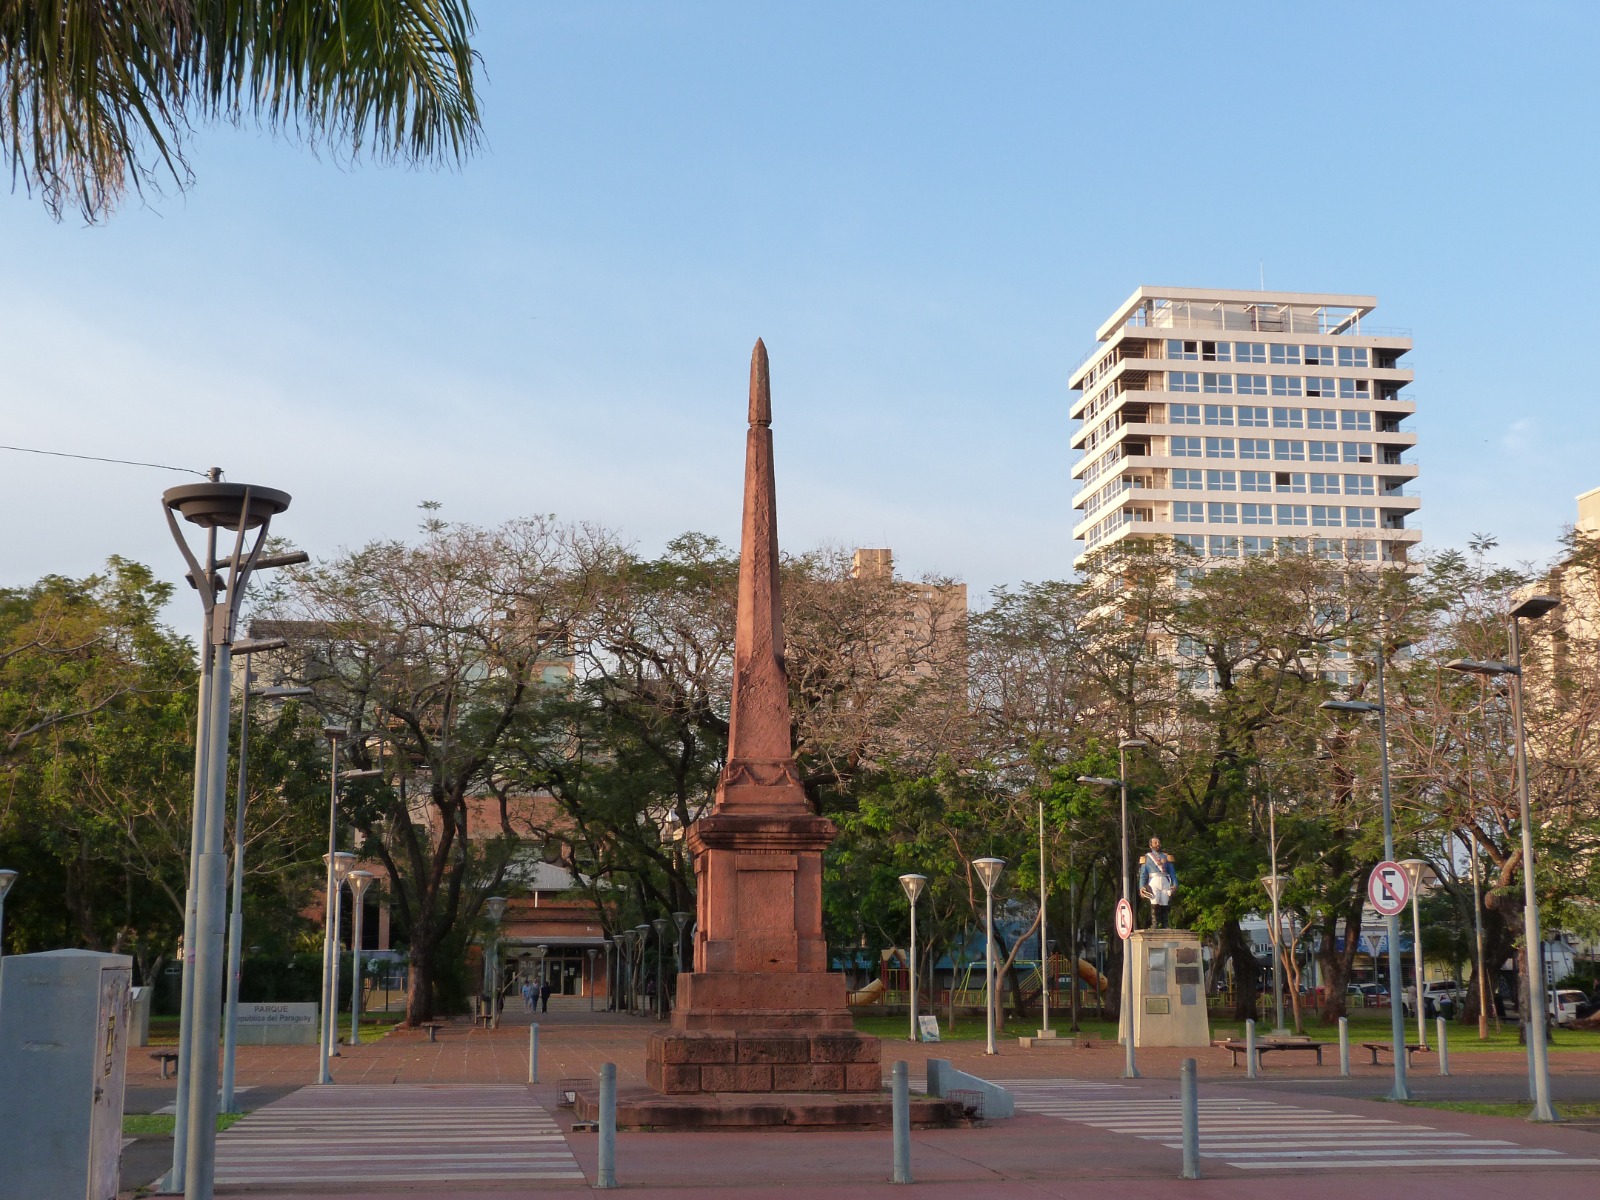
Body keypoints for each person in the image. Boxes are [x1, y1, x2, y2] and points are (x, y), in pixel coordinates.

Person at [1138, 837, 1177, 928]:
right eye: (1155, 843)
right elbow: (1143, 875)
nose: (1158, 844)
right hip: (1153, 880)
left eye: (1159, 842)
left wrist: (1175, 884)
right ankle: (1154, 923)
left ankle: (1165, 924)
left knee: (1165, 901)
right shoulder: (1146, 858)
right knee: (1154, 900)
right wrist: (1141, 887)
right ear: (1150, 845)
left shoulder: (1167, 857)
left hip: (1165, 880)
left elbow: (1172, 873)